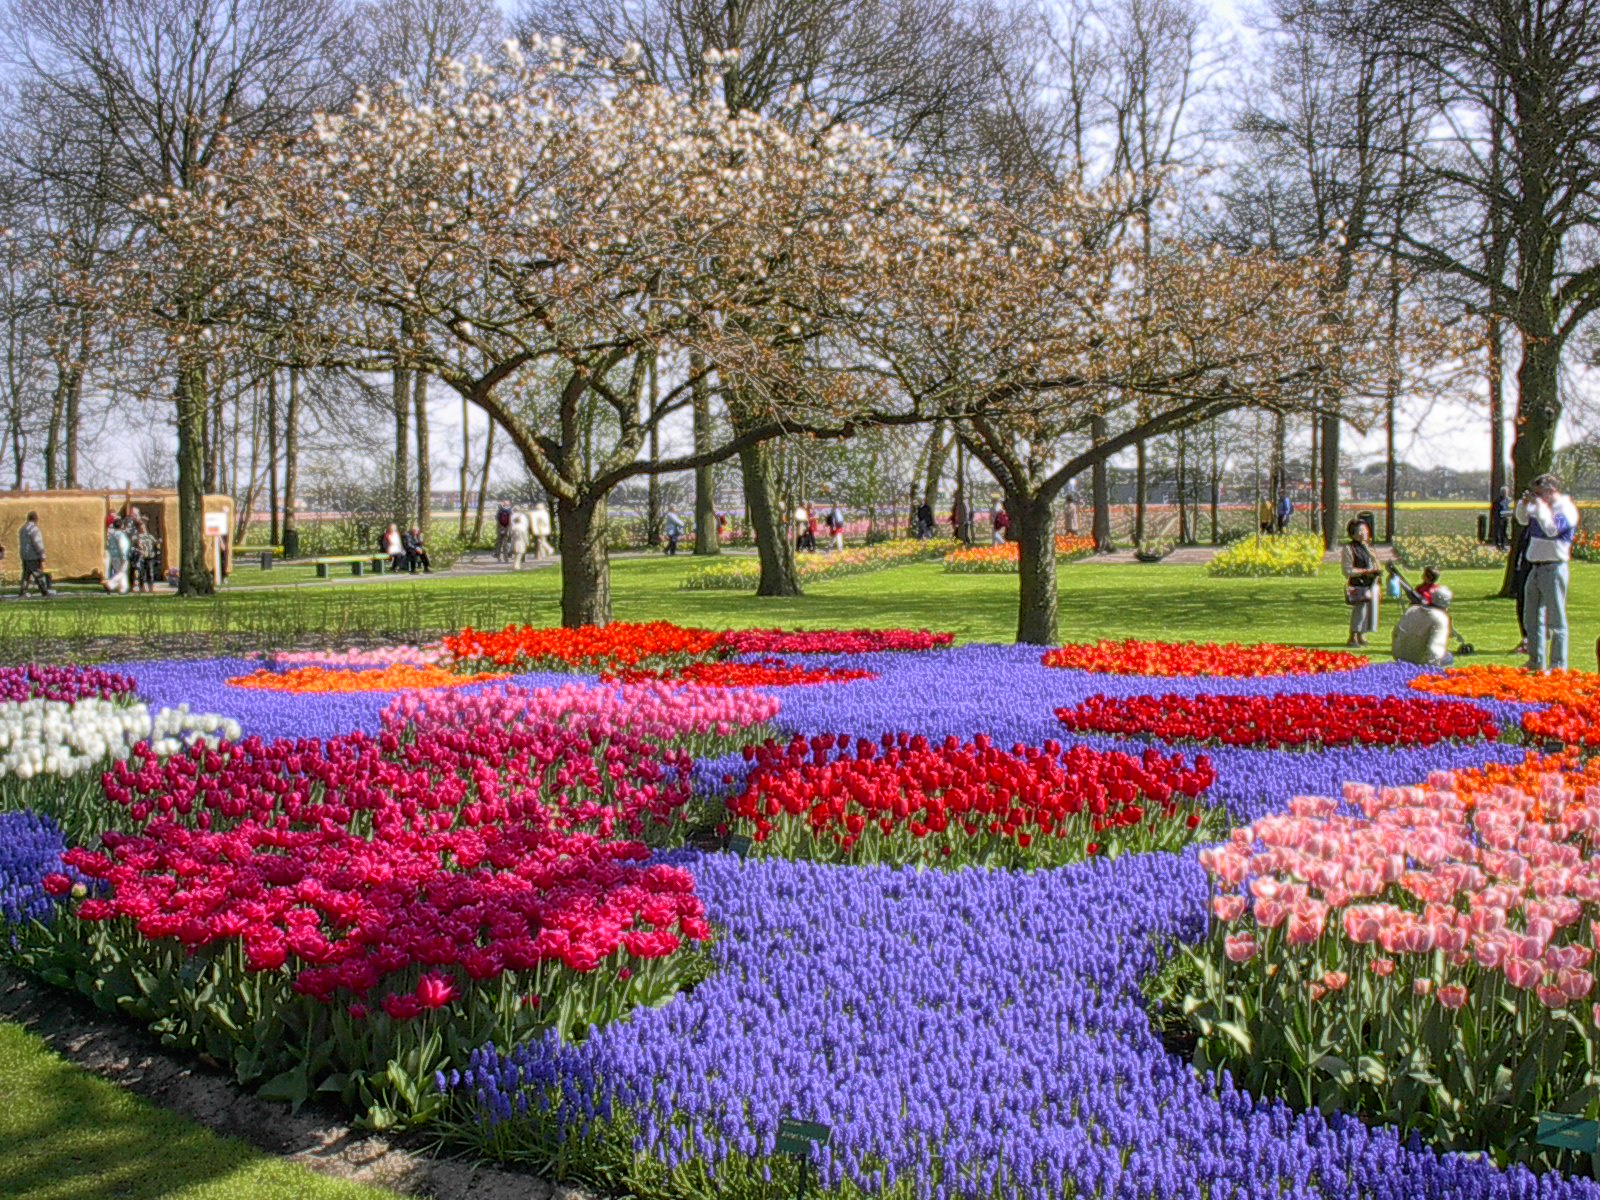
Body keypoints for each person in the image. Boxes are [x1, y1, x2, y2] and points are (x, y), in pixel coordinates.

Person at [1516, 472, 1580, 671]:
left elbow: (1552, 530)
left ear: (1551, 490)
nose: (1537, 497)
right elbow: (1522, 520)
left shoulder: (1566, 509)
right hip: (1535, 567)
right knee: (1531, 617)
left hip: (1554, 567)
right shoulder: (1540, 507)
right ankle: (1535, 661)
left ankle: (1558, 665)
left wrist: (1542, 509)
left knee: (1556, 619)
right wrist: (1524, 505)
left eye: (1539, 493)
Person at [1340, 518, 1381, 647]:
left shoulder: (1369, 547)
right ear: (1352, 534)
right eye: (1360, 530)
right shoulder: (1349, 548)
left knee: (1369, 611)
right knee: (1360, 610)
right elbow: (1347, 570)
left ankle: (1362, 635)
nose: (1364, 533)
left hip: (1371, 584)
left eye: (1365, 530)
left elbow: (1376, 565)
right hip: (1358, 584)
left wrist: (1378, 581)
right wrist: (1365, 571)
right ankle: (1353, 636)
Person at [1392, 584, 1455, 667]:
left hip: (1400, 657)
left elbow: (1395, 633)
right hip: (1421, 661)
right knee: (1449, 657)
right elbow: (1436, 647)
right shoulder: (1440, 618)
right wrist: (1431, 669)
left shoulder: (1412, 610)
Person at [18, 511, 49, 598]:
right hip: (33, 555)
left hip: (24, 555)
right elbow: (37, 543)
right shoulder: (34, 529)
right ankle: (44, 592)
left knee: (26, 575)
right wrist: (42, 555)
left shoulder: (22, 529)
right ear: (35, 518)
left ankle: (22, 592)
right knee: (38, 574)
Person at [103, 518, 131, 594]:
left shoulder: (112, 535)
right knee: (122, 571)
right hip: (120, 556)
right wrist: (124, 557)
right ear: (121, 526)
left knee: (121, 572)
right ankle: (110, 584)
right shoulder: (121, 535)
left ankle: (123, 589)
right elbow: (123, 546)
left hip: (114, 556)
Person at [134, 520, 159, 593]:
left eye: (144, 527)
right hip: (141, 556)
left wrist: (158, 544)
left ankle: (151, 587)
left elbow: (156, 543)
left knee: (150, 572)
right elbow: (134, 546)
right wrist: (138, 550)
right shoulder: (137, 537)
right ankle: (143, 587)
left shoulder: (150, 536)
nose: (143, 528)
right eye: (141, 527)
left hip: (150, 556)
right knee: (142, 572)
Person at [1494, 486, 1513, 551]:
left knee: (1504, 532)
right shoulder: (1497, 501)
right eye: (1503, 492)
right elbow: (1496, 511)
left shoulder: (1509, 500)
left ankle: (1503, 545)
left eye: (1505, 492)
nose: (1504, 493)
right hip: (1499, 518)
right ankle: (1498, 545)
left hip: (1506, 518)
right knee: (1499, 532)